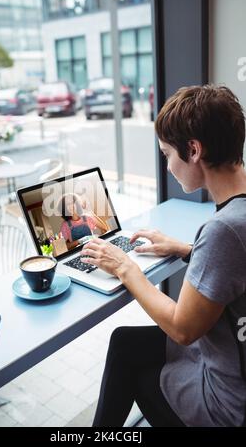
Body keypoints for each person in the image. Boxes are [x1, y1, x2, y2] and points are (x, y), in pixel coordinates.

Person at [80, 85, 246, 427]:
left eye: (167, 153)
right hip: (235, 360)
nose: (168, 166)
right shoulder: (235, 219)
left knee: (135, 370)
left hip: (229, 407)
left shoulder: (223, 232)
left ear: (194, 150)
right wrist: (189, 250)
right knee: (125, 342)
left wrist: (125, 267)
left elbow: (183, 330)